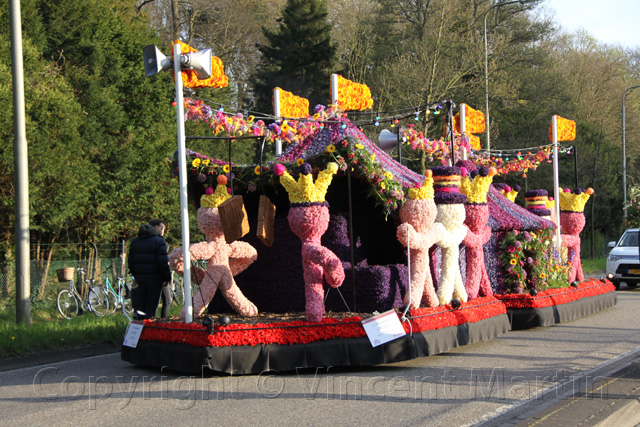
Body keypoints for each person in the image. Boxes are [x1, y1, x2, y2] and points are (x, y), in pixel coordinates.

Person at [128, 220, 172, 320]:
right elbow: (163, 263)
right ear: (154, 229)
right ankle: (150, 326)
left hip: (141, 280)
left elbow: (130, 262)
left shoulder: (134, 242)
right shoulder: (159, 241)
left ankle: (139, 327)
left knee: (141, 305)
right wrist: (166, 277)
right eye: (161, 228)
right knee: (152, 306)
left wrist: (137, 275)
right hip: (155, 280)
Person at [149, 218, 173, 318]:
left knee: (157, 300)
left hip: (151, 274)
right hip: (159, 274)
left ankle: (155, 320)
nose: (163, 231)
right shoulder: (159, 241)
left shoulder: (144, 239)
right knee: (166, 299)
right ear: (156, 228)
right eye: (161, 228)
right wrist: (167, 275)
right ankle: (163, 321)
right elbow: (162, 260)